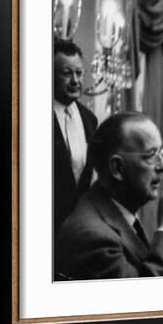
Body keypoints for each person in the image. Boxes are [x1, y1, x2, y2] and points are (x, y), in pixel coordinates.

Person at [55, 112, 163, 279]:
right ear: (117, 168)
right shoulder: (92, 238)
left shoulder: (112, 210)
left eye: (161, 153)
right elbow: (148, 300)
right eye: (151, 156)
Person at [53, 40, 98, 234]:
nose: (75, 80)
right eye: (66, 73)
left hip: (79, 228)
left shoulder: (90, 120)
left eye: (79, 73)